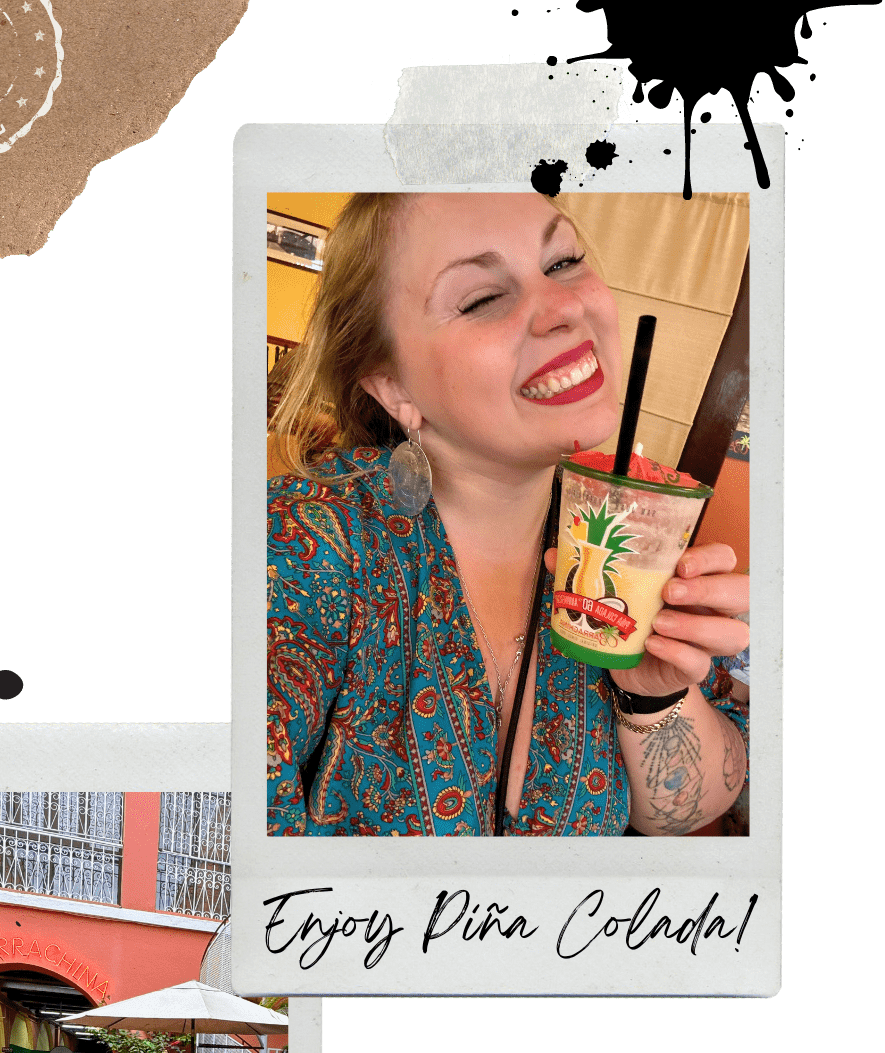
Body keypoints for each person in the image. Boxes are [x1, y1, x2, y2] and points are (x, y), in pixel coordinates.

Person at [267, 192, 750, 836]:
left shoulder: (621, 539)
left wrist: (653, 690)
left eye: (564, 262)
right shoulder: (298, 545)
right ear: (394, 388)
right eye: (482, 299)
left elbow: (683, 810)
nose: (564, 308)